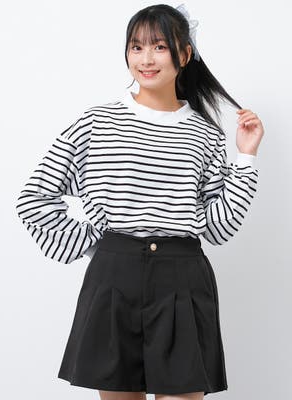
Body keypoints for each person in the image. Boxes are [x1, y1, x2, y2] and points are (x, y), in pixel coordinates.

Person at [15, 3, 264, 400]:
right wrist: (97, 245)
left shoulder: (206, 135)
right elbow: (34, 199)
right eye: (136, 47)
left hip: (183, 279)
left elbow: (219, 228)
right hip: (114, 279)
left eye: (159, 46)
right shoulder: (97, 122)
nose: (146, 59)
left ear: (185, 54)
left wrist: (246, 158)